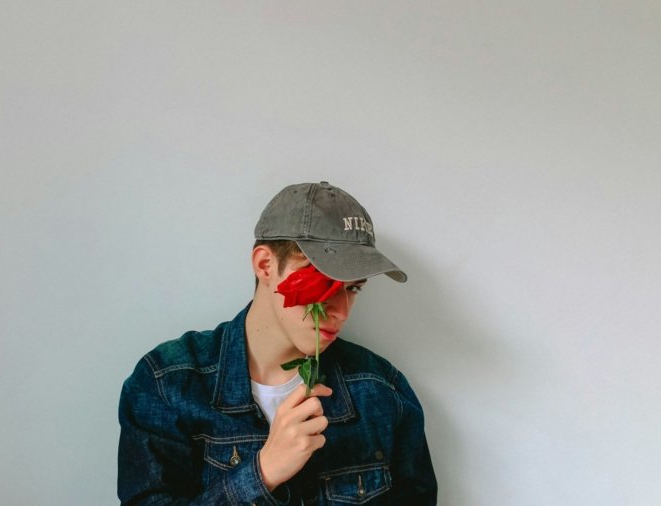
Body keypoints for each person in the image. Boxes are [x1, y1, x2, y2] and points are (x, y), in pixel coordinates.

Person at [117, 181, 437, 504]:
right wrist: (262, 472)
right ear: (265, 266)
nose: (340, 311)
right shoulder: (167, 387)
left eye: (353, 288)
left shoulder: (383, 393)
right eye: (324, 281)